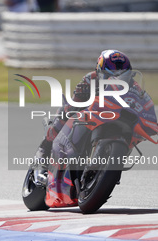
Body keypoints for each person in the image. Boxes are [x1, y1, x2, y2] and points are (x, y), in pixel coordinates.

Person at [33, 49, 133, 185]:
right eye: (111, 73)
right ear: (100, 70)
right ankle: (43, 154)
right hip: (87, 115)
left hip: (114, 117)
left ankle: (110, 166)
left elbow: (143, 101)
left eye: (121, 74)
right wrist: (83, 93)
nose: (116, 78)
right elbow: (76, 99)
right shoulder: (90, 78)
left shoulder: (133, 86)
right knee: (67, 111)